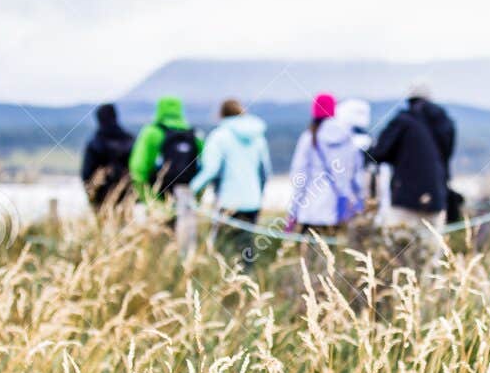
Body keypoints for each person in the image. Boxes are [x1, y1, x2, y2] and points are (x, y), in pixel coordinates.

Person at [189, 99, 271, 264]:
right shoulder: (258, 137)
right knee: (246, 250)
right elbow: (265, 171)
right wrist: (259, 195)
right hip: (253, 202)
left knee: (221, 251)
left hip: (228, 203)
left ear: (222, 114)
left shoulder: (219, 136)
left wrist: (190, 190)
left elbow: (210, 170)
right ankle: (247, 283)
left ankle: (224, 284)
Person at [368, 81, 457, 229]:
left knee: (401, 244)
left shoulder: (403, 122)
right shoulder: (444, 123)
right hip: (437, 197)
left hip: (406, 197)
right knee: (431, 247)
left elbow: (379, 153)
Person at [286, 93, 365, 232]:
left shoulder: (309, 138)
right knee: (332, 251)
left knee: (309, 251)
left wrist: (293, 210)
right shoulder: (349, 138)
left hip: (310, 206)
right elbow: (356, 174)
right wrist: (358, 201)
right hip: (338, 207)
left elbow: (299, 174)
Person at [129, 96, 201, 209]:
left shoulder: (152, 132)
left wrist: (146, 198)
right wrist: (196, 196)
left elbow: (138, 167)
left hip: (158, 199)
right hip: (186, 200)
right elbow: (204, 166)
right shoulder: (193, 134)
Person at [80, 103, 135, 211]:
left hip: (101, 198)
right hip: (126, 197)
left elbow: (86, 174)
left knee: (102, 227)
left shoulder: (95, 143)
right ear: (115, 116)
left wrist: (92, 197)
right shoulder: (130, 140)